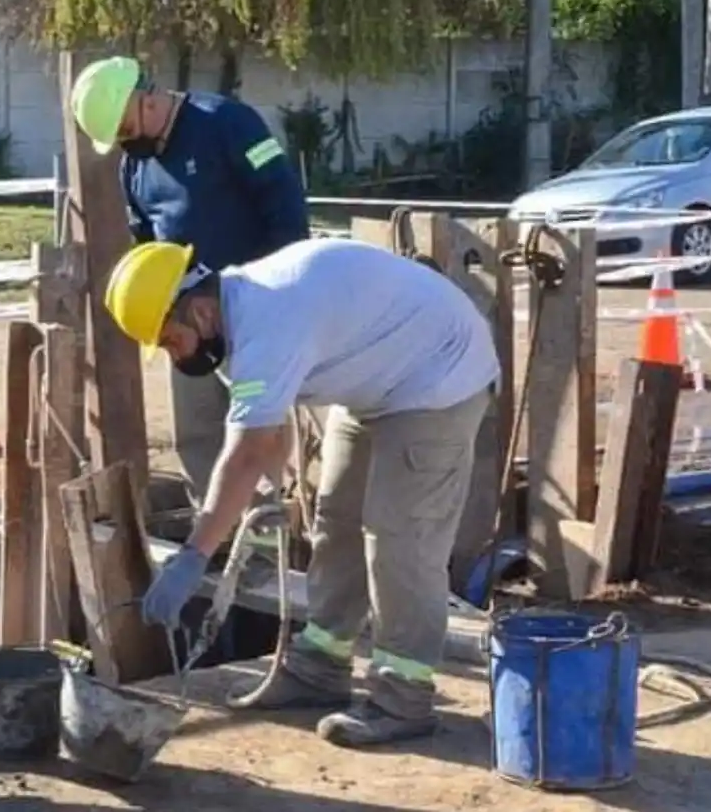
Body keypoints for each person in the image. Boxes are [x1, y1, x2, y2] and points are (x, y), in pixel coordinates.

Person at [102, 237, 499, 749]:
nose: (173, 356)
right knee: (336, 520)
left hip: (439, 374)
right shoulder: (231, 321)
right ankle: (320, 667)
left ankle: (403, 698)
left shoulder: (268, 321)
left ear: (198, 311)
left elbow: (244, 452)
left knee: (400, 537)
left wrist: (194, 556)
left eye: (170, 340)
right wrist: (272, 490)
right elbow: (269, 423)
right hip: (378, 377)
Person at [69, 55, 309, 510]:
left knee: (262, 429)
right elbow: (146, 245)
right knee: (199, 429)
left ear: (147, 98)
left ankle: (271, 530)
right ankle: (215, 529)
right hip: (184, 320)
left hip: (258, 310)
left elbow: (283, 199)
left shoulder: (226, 123)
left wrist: (289, 288)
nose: (125, 142)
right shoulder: (134, 170)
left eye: (124, 129)